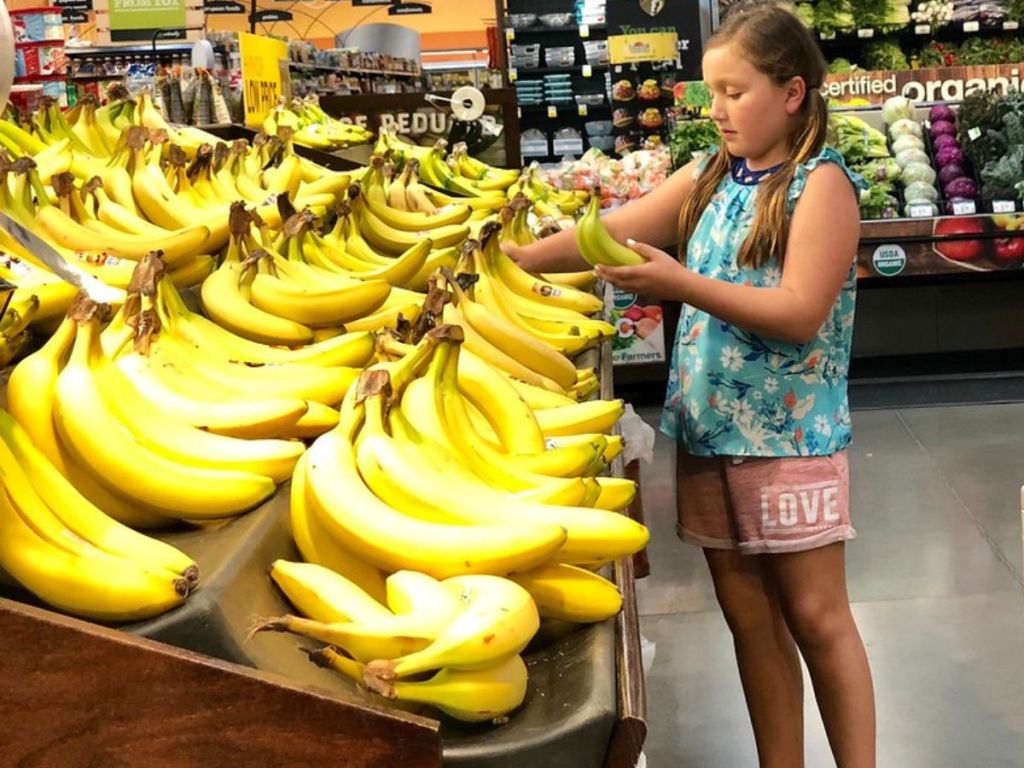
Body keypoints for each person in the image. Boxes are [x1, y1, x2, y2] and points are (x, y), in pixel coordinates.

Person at [502, 3, 876, 766]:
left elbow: (800, 313)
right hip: (709, 435)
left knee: (816, 618)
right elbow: (614, 228)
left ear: (792, 92)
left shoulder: (821, 186)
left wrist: (681, 283)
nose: (719, 110)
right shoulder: (709, 174)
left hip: (789, 442)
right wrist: (511, 259)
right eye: (713, 93)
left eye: (736, 92)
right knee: (749, 621)